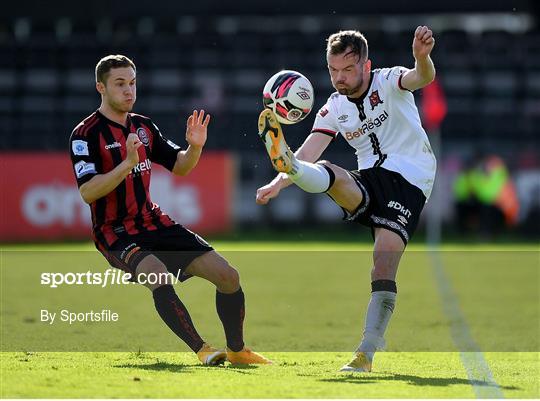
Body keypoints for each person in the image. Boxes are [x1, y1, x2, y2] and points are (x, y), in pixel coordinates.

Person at [69, 54, 270, 366]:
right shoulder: (85, 134)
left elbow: (180, 167)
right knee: (157, 275)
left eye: (132, 83)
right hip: (115, 232)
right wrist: (126, 165)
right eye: (120, 84)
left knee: (228, 276)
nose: (128, 91)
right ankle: (203, 349)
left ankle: (238, 350)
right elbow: (87, 192)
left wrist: (196, 147)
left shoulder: (144, 127)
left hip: (153, 221)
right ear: (101, 87)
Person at [256, 27, 437, 372]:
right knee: (325, 170)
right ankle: (291, 168)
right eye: (333, 71)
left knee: (382, 264)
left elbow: (421, 77)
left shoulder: (389, 81)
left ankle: (365, 352)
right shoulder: (334, 108)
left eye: (348, 70)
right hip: (369, 179)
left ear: (366, 66)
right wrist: (279, 182)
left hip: (411, 179)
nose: (339, 78)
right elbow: (311, 148)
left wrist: (422, 56)